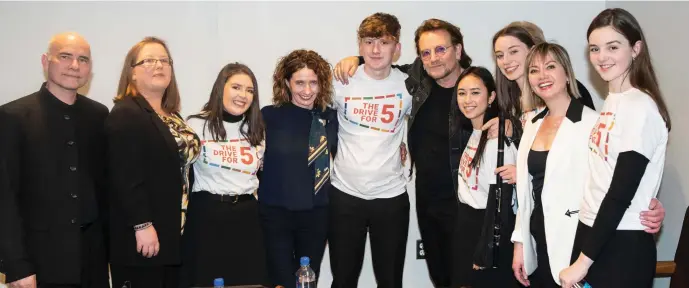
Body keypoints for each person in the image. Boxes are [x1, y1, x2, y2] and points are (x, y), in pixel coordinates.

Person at [333, 18, 507, 288]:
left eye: (441, 50)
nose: (433, 58)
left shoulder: (476, 89)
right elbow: (380, 62)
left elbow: (511, 114)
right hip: (428, 202)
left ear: (458, 50)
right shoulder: (416, 83)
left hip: (468, 206)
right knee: (440, 278)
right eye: (426, 52)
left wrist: (510, 124)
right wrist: (355, 59)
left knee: (470, 280)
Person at [560, 8, 671, 288]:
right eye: (595, 48)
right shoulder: (613, 101)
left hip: (621, 242)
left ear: (635, 49)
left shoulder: (640, 107)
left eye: (613, 47)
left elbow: (620, 192)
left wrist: (582, 262)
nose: (602, 57)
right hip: (595, 232)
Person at [0, 32, 110, 288]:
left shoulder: (98, 115)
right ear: (45, 61)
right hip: (38, 262)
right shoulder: (12, 117)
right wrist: (16, 266)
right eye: (65, 57)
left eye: (83, 59)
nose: (74, 65)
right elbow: (3, 198)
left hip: (92, 258)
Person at [106, 36, 200, 288]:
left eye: (164, 60)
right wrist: (142, 225)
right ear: (132, 73)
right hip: (144, 237)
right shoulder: (126, 113)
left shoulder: (172, 116)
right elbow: (124, 177)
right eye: (149, 60)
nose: (158, 65)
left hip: (173, 232)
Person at [328, 13, 413, 288]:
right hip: (344, 195)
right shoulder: (341, 82)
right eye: (369, 42)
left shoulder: (410, 85)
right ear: (360, 46)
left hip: (390, 197)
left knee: (390, 282)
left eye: (384, 42)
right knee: (343, 280)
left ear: (396, 48)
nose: (376, 50)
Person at [182, 63, 268, 287]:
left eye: (250, 91)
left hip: (247, 217)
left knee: (248, 282)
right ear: (221, 88)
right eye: (236, 87)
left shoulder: (256, 129)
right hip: (207, 216)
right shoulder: (195, 125)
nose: (243, 95)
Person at [259, 49, 338, 288]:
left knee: (307, 280)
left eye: (313, 82)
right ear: (286, 83)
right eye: (300, 82)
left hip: (316, 213)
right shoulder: (268, 116)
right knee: (280, 280)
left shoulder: (331, 117)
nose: (307, 90)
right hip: (275, 213)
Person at [453, 66, 520, 287]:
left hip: (489, 232)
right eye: (462, 93)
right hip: (467, 226)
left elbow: (501, 203)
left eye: (475, 92)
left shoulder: (497, 143)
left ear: (491, 96)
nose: (467, 100)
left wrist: (484, 251)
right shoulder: (475, 134)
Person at [492, 21, 596, 128]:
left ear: (533, 50)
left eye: (513, 51)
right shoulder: (504, 98)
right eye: (499, 55)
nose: (506, 61)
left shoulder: (562, 88)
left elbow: (584, 130)